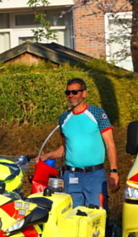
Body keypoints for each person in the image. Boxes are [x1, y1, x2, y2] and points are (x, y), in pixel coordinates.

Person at [36, 78, 119, 209]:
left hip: (95, 176)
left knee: (97, 216)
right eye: (68, 93)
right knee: (71, 216)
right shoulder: (63, 118)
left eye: (75, 92)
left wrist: (114, 172)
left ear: (84, 94)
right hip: (71, 176)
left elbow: (110, 145)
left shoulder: (97, 113)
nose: (71, 96)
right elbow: (64, 148)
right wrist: (46, 156)